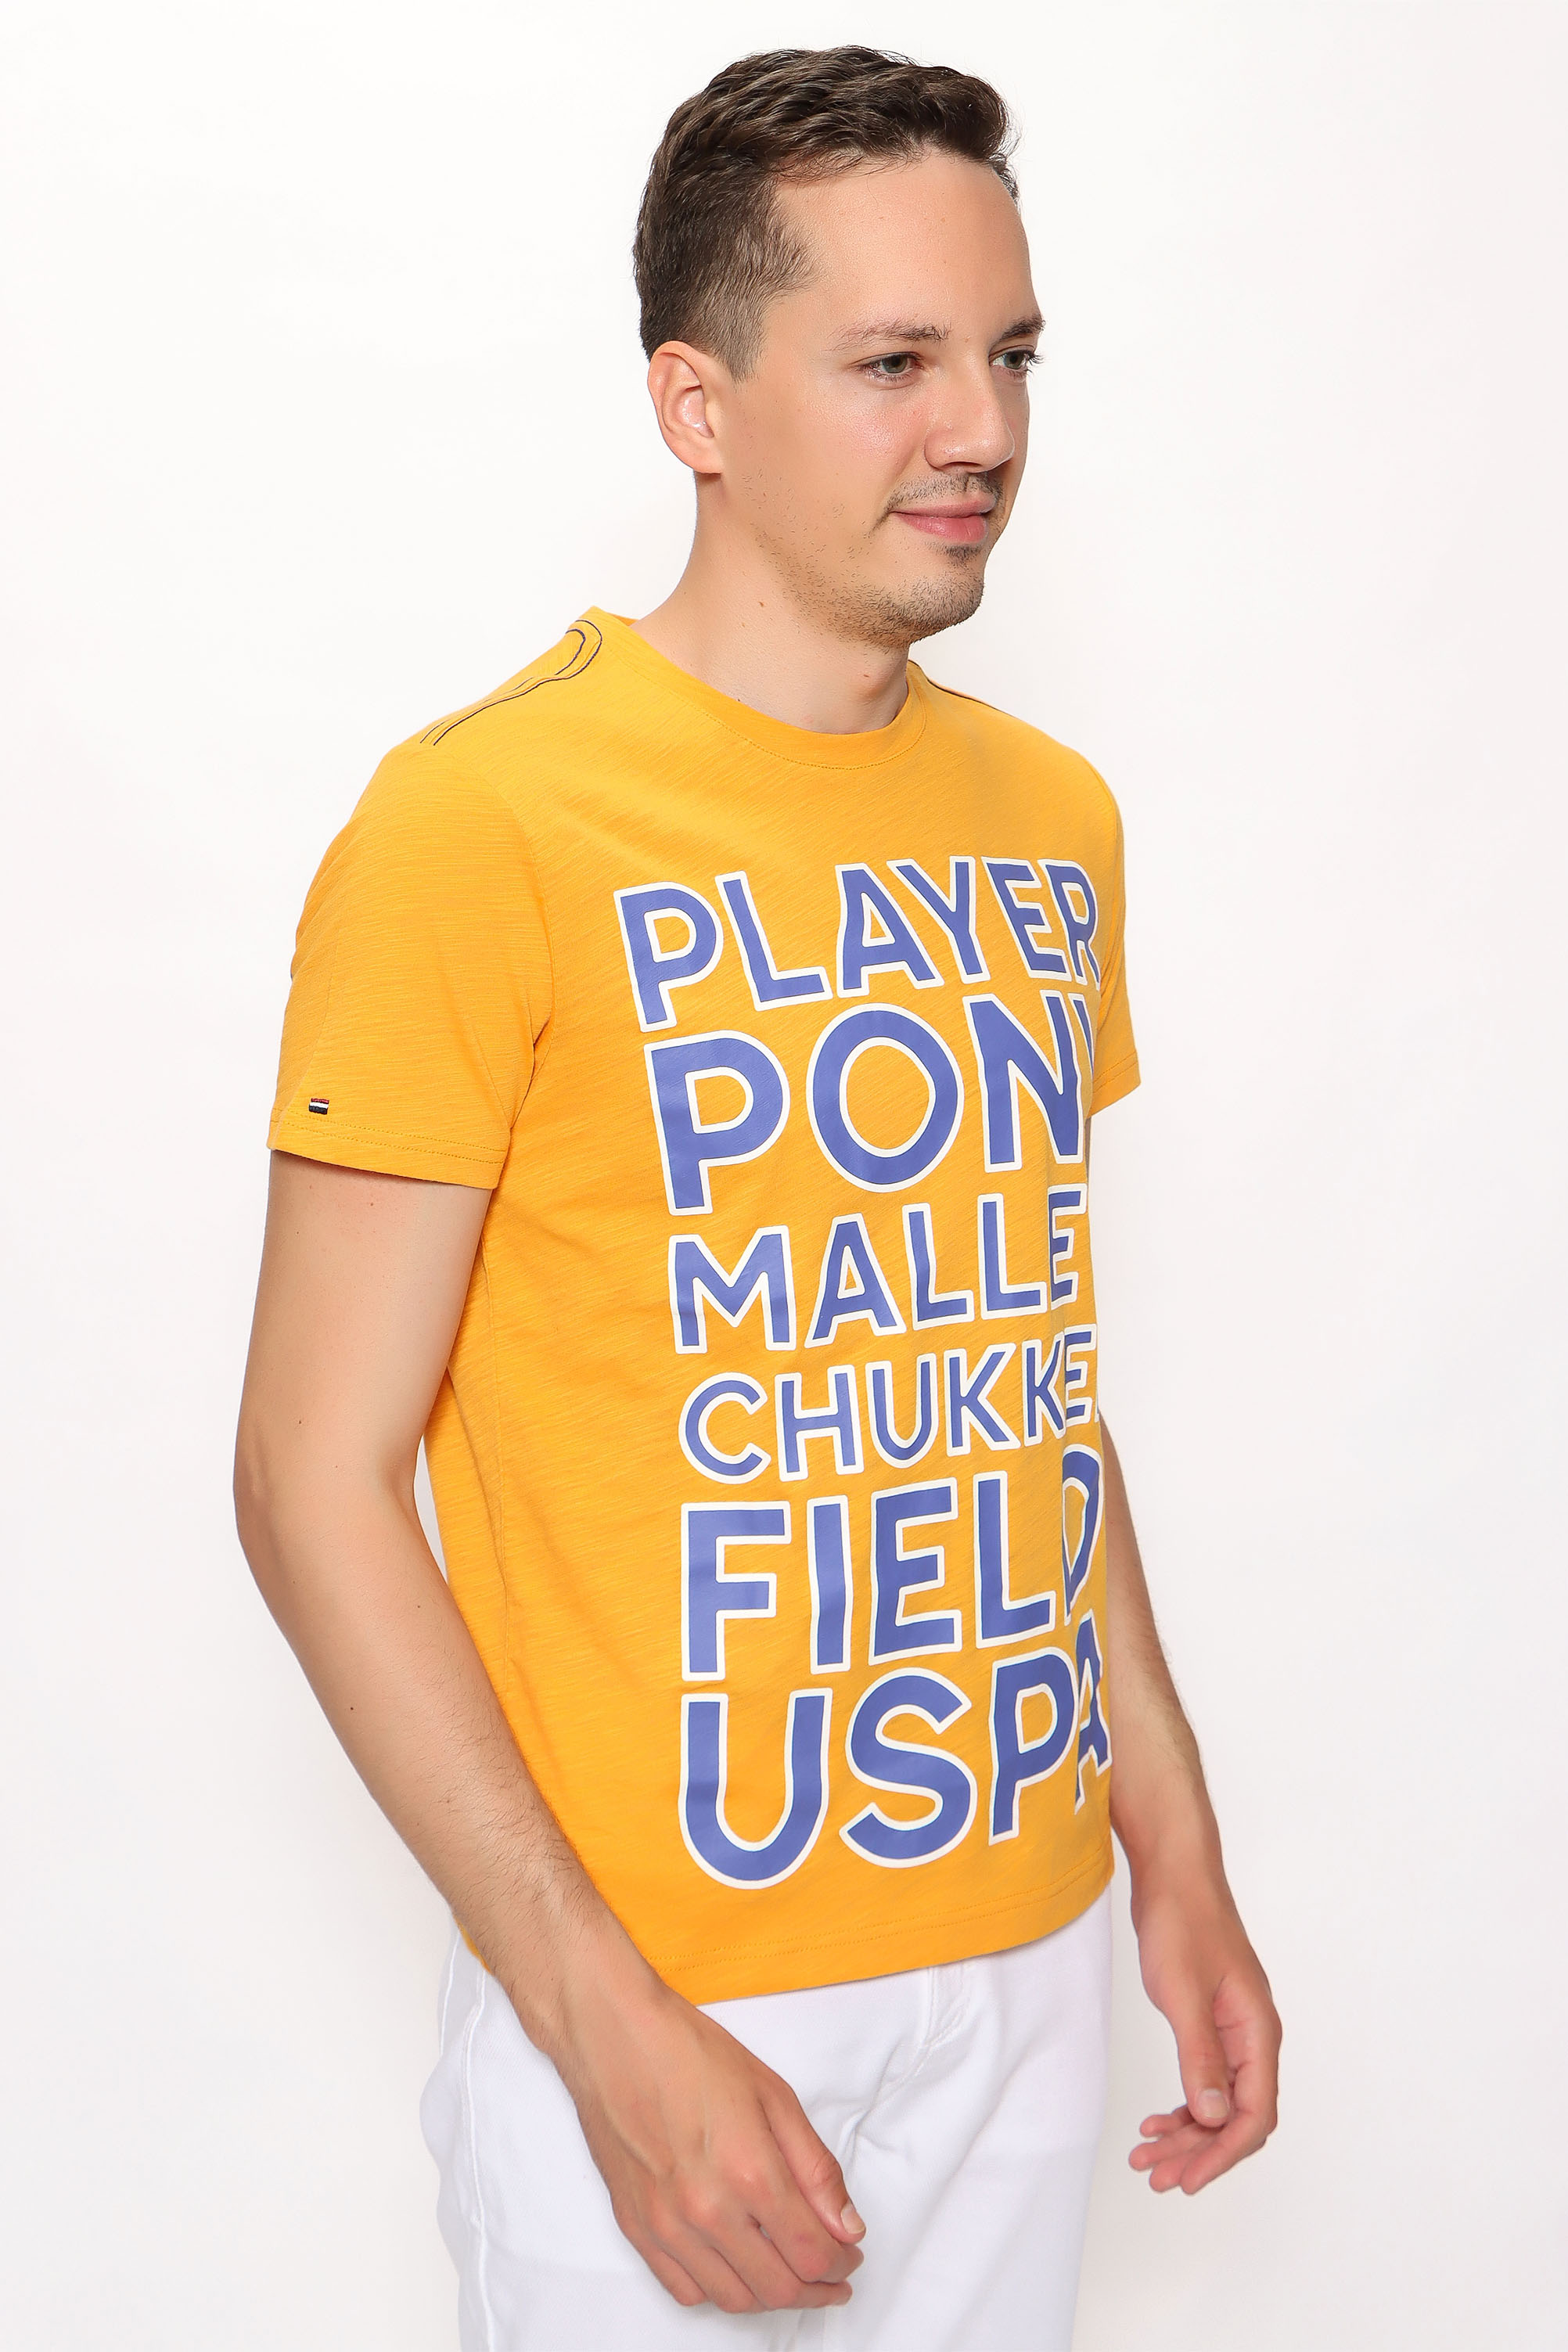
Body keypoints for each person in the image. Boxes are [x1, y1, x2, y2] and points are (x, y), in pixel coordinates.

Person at [235, 45, 1280, 2352]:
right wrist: (606, 2032)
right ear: (695, 404)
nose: (981, 430)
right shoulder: (481, 827)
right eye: (894, 362)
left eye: (1009, 354)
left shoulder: (1051, 820)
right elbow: (309, 1480)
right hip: (666, 1998)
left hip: (1024, 1966)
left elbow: (1004, 1370)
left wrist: (1171, 1845)